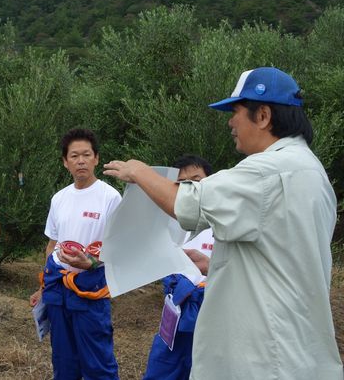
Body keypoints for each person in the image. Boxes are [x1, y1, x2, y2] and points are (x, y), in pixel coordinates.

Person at [103, 67, 343, 379]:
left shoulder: (267, 171)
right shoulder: (312, 171)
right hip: (298, 350)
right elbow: (281, 256)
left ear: (263, 115)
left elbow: (186, 204)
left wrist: (138, 171)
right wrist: (216, 264)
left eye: (236, 111)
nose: (230, 121)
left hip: (264, 359)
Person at [29, 128, 121, 380]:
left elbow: (119, 247)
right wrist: (42, 287)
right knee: (63, 359)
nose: (80, 161)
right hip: (59, 288)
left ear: (96, 159)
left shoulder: (110, 197)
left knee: (97, 361)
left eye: (86, 155)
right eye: (74, 156)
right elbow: (52, 245)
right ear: (65, 161)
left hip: (90, 289)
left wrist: (90, 262)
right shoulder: (59, 198)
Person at [143, 155, 214, 380]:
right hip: (176, 309)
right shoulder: (171, 222)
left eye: (196, 179)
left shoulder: (223, 222)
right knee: (162, 368)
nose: (190, 186)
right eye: (182, 182)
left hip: (212, 311)